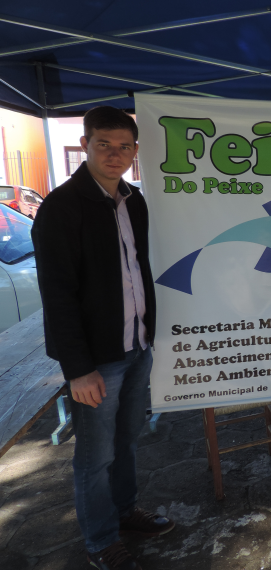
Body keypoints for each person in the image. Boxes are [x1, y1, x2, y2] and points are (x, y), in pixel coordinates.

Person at [32, 107, 173, 570]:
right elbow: (57, 294)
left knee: (127, 440)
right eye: (104, 145)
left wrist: (148, 333)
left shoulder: (134, 200)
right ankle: (99, 540)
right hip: (96, 360)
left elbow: (137, 271)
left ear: (136, 150)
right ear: (86, 145)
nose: (115, 155)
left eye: (124, 146)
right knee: (94, 456)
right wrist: (77, 368)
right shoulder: (61, 207)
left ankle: (125, 510)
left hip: (136, 346)